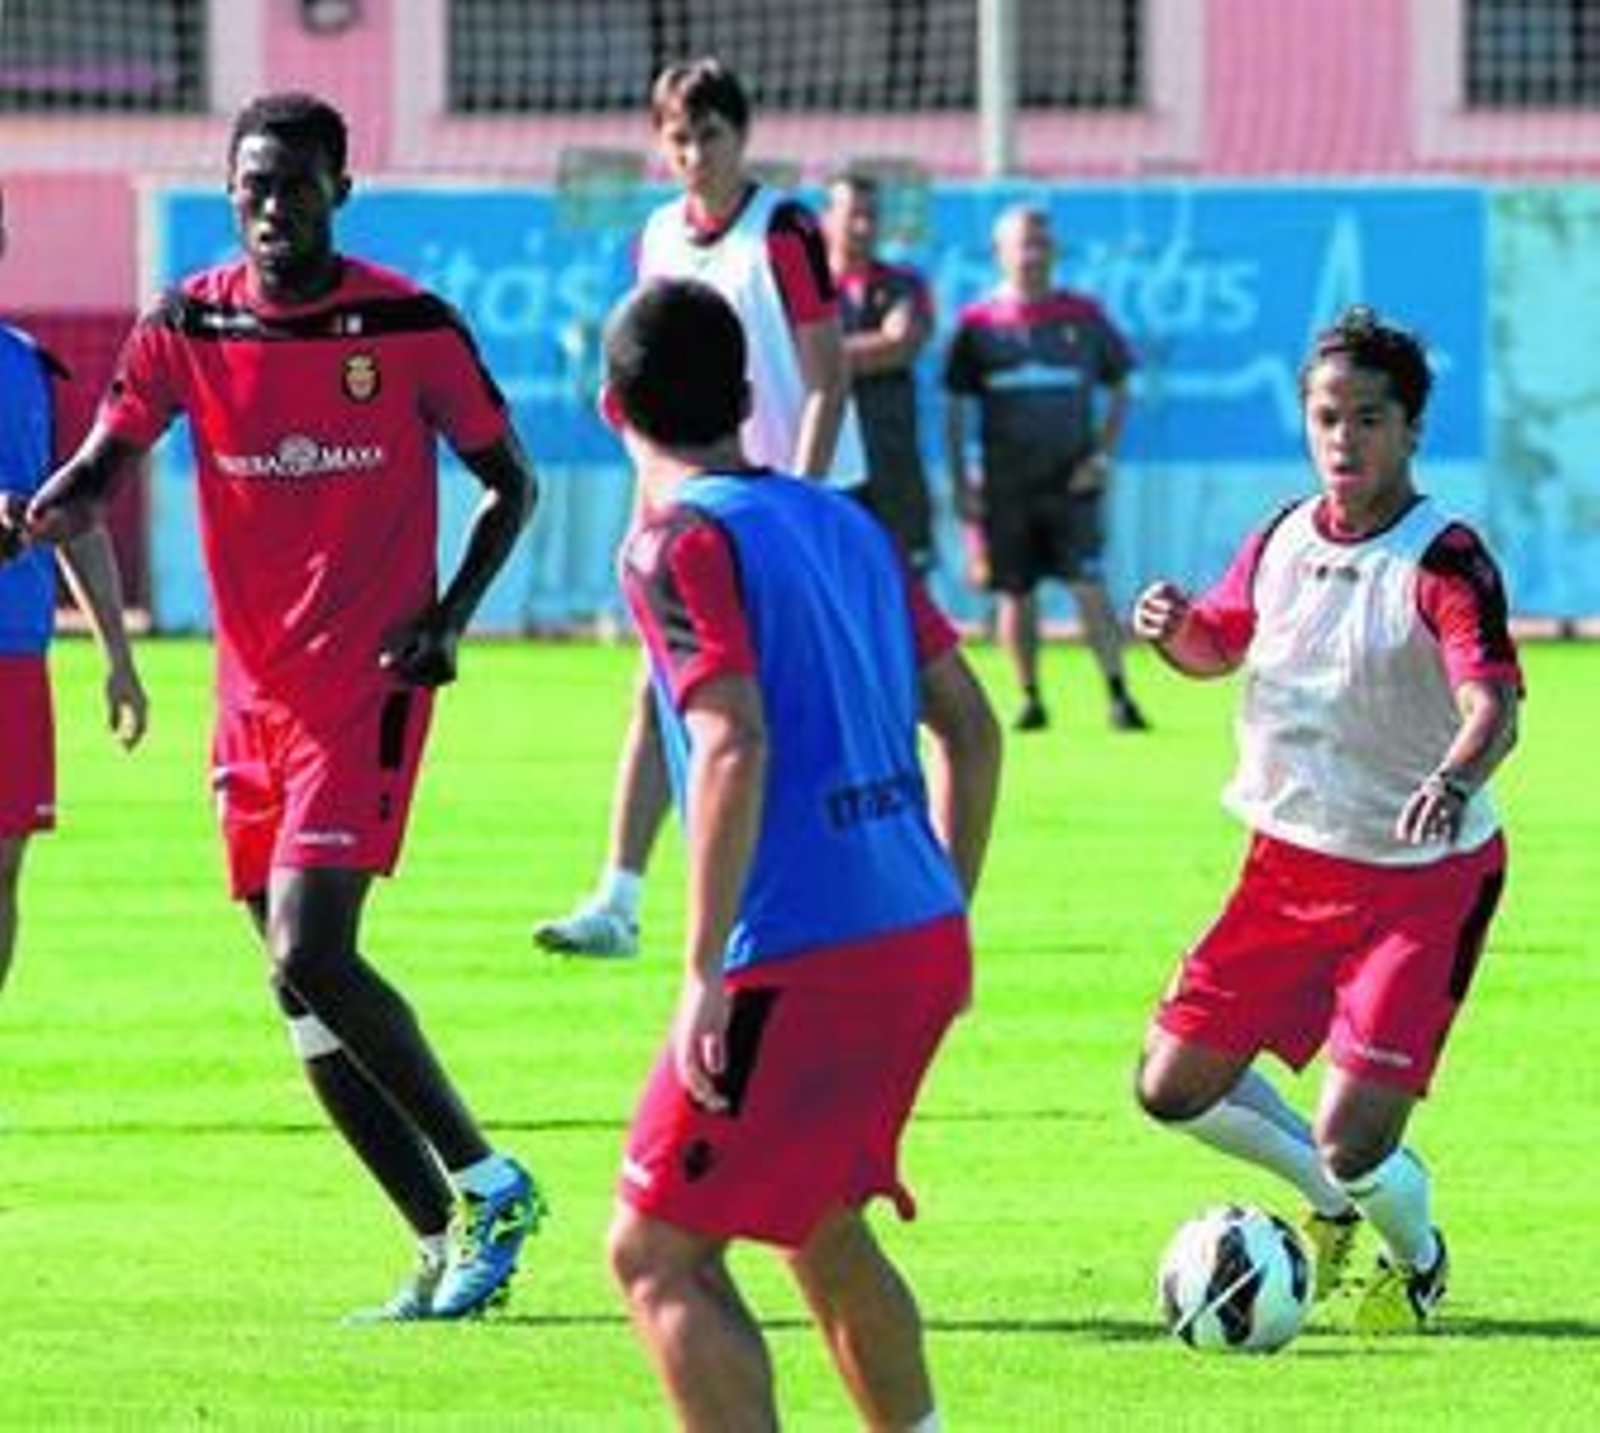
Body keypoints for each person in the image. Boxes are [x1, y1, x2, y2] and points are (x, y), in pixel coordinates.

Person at [4, 93, 544, 1322]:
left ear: (338, 191)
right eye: (253, 183)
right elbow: (103, 466)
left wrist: (449, 616)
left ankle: (491, 1180)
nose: (271, 206)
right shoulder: (186, 321)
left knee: (312, 946)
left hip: (366, 686)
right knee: (298, 997)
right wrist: (35, 518)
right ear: (229, 189)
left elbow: (508, 483)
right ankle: (438, 1241)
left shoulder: (406, 323)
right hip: (249, 701)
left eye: (295, 184)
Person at [597, 277, 999, 1430]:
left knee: (656, 1251)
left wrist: (701, 973)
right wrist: (941, 899)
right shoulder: (847, 523)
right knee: (816, 1220)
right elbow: (971, 728)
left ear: (610, 408)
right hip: (917, 932)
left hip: (794, 953)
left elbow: (731, 738)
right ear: (743, 398)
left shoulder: (674, 543)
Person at [1129, 306, 1522, 1333]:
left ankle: (1417, 1257)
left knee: (1356, 1138)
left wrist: (1455, 774)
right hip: (1285, 868)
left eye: (1368, 419)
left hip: (1422, 883)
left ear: (1411, 429)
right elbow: (1217, 642)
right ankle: (1330, 1198)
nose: (1344, 439)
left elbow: (1492, 703)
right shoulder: (1280, 536)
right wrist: (1175, 629)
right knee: (1170, 1086)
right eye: (1326, 417)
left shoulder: (1444, 559)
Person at [535, 56, 866, 959]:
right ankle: (618, 899)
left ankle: (844, 884)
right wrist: (649, 516)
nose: (693, 154)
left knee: (820, 700)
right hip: (697, 510)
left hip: (793, 500)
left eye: (708, 134)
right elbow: (647, 394)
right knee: (657, 688)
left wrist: (799, 504)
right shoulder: (657, 238)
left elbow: (828, 378)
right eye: (677, 138)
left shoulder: (783, 230)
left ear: (741, 135)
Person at [0, 181, 148, 998]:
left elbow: (75, 514)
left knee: (4, 866)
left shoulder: (28, 365)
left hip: (15, 655)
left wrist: (116, 656)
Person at [944, 203, 1148, 734]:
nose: (1032, 255)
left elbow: (1123, 386)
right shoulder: (977, 325)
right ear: (1000, 253)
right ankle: (1029, 698)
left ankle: (1119, 695)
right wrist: (962, 482)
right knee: (1016, 592)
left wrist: (1100, 456)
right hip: (1006, 486)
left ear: (1054, 251)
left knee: (1089, 587)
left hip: (1070, 484)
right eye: (1022, 245)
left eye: (1041, 244)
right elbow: (956, 409)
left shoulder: (1083, 316)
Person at [823, 168, 937, 572]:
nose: (863, 226)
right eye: (852, 215)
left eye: (871, 215)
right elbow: (789, 359)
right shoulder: (802, 288)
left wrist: (822, 357)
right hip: (827, 466)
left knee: (906, 588)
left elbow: (901, 346)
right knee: (833, 587)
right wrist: (876, 346)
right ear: (826, 219)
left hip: (893, 467)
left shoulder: (905, 283)